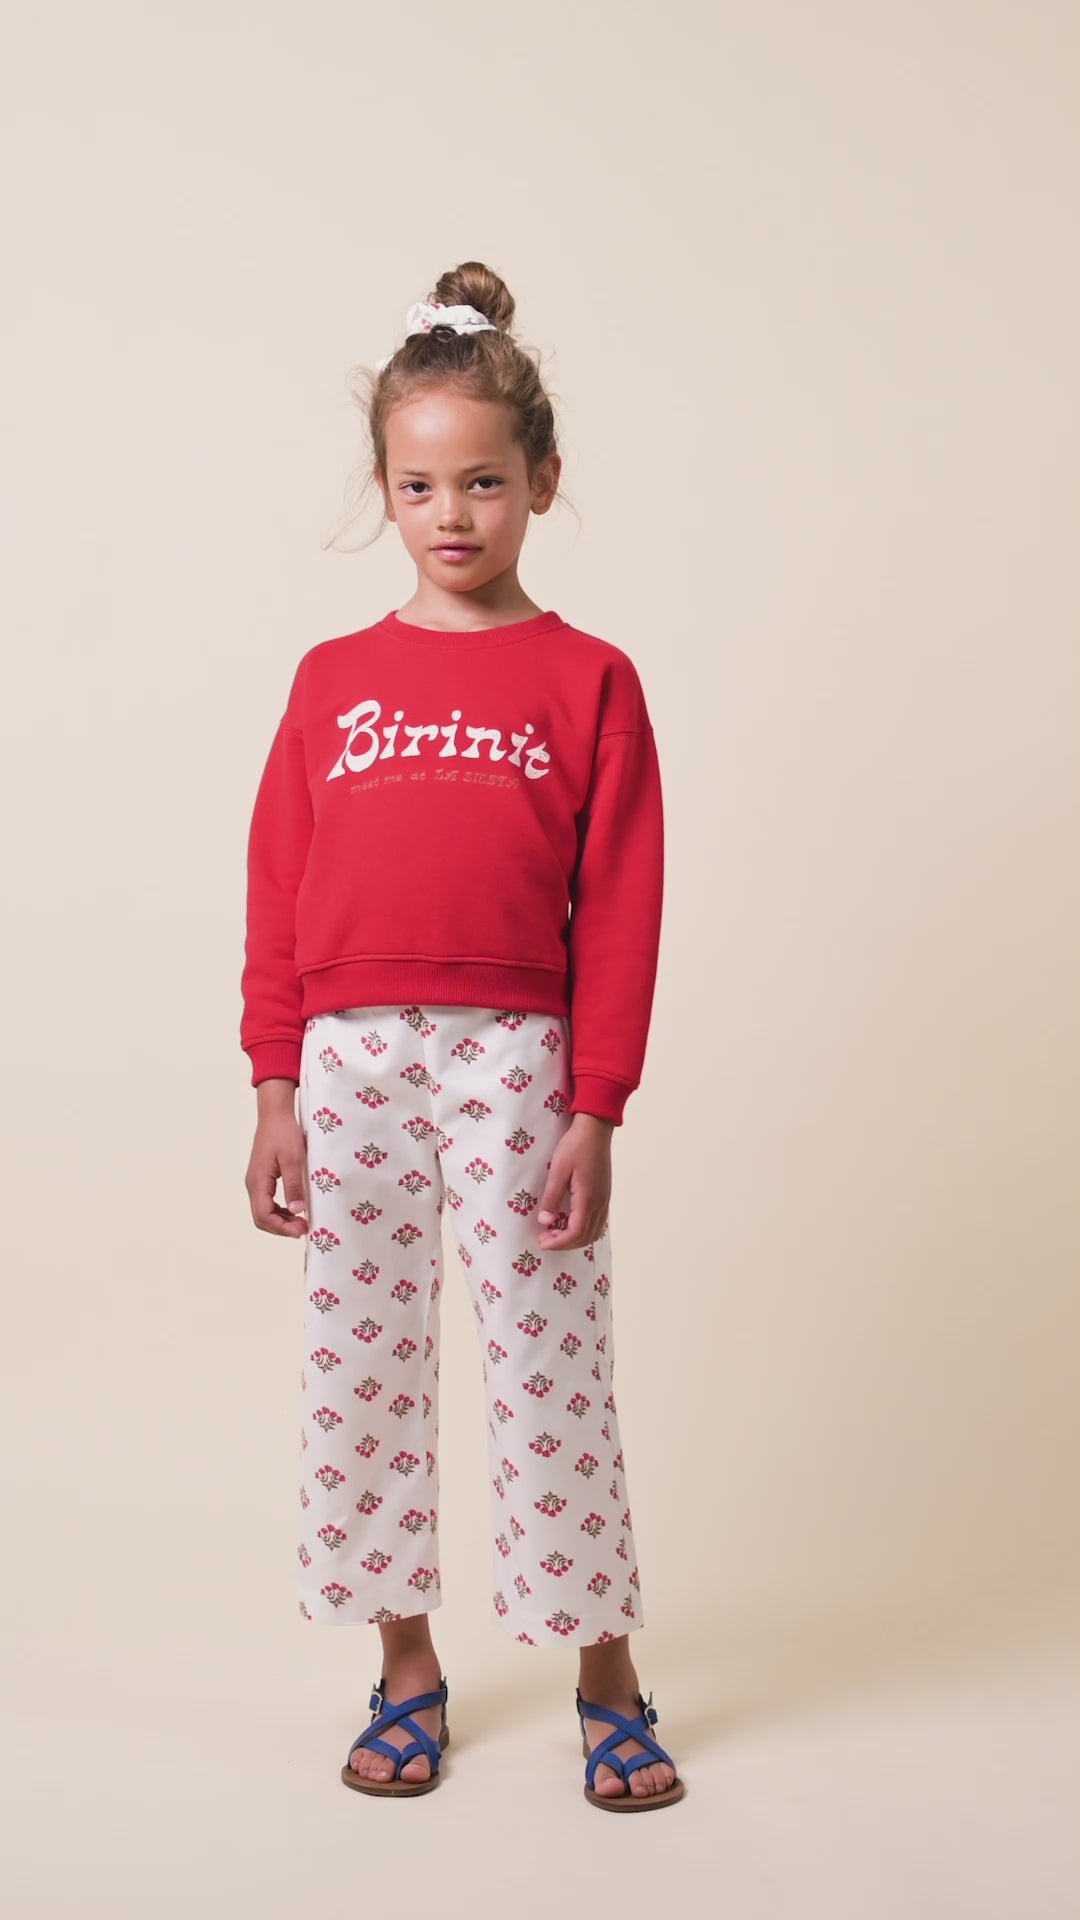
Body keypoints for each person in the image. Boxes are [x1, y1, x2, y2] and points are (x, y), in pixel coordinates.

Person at [240, 261, 684, 1810]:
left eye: (484, 481)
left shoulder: (591, 680)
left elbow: (620, 906)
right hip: (349, 1061)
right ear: (385, 488)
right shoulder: (331, 683)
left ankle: (607, 1674)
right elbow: (278, 886)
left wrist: (597, 1104)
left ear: (541, 481)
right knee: (360, 1372)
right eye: (420, 484)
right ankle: (407, 1668)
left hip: (518, 1062)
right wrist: (275, 1084)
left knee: (551, 1366)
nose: (451, 513)